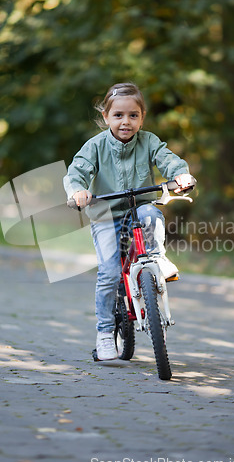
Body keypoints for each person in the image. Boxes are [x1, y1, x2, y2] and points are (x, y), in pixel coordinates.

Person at [63, 82, 193, 361]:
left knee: (151, 215)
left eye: (133, 115)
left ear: (142, 117)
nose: (126, 121)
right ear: (106, 117)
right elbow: (78, 172)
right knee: (109, 273)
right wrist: (78, 191)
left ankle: (156, 259)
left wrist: (180, 174)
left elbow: (167, 159)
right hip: (105, 215)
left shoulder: (149, 142)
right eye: (118, 115)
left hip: (140, 207)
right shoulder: (95, 146)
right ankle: (105, 332)